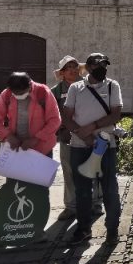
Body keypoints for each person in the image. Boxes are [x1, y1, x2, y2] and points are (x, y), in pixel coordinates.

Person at [63, 53, 123, 246]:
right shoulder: (75, 88)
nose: (102, 69)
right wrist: (87, 137)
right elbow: (67, 118)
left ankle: (112, 229)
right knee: (82, 190)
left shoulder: (113, 86)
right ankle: (83, 229)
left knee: (109, 188)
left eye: (104, 65)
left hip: (106, 145)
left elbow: (115, 115)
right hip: (80, 146)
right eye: (97, 65)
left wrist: (93, 126)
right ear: (87, 68)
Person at [0, 72, 61, 156]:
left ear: (30, 85)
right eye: (15, 93)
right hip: (15, 148)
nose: (19, 95)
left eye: (22, 93)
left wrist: (36, 139)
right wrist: (8, 136)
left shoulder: (43, 92)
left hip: (42, 148)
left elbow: (55, 120)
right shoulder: (6, 94)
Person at [50, 56, 82, 221]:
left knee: (92, 170)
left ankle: (94, 204)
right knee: (69, 172)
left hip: (88, 136)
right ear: (62, 72)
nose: (73, 69)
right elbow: (51, 113)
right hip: (67, 137)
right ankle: (71, 206)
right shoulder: (55, 91)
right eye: (68, 67)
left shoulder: (88, 85)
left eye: (75, 66)